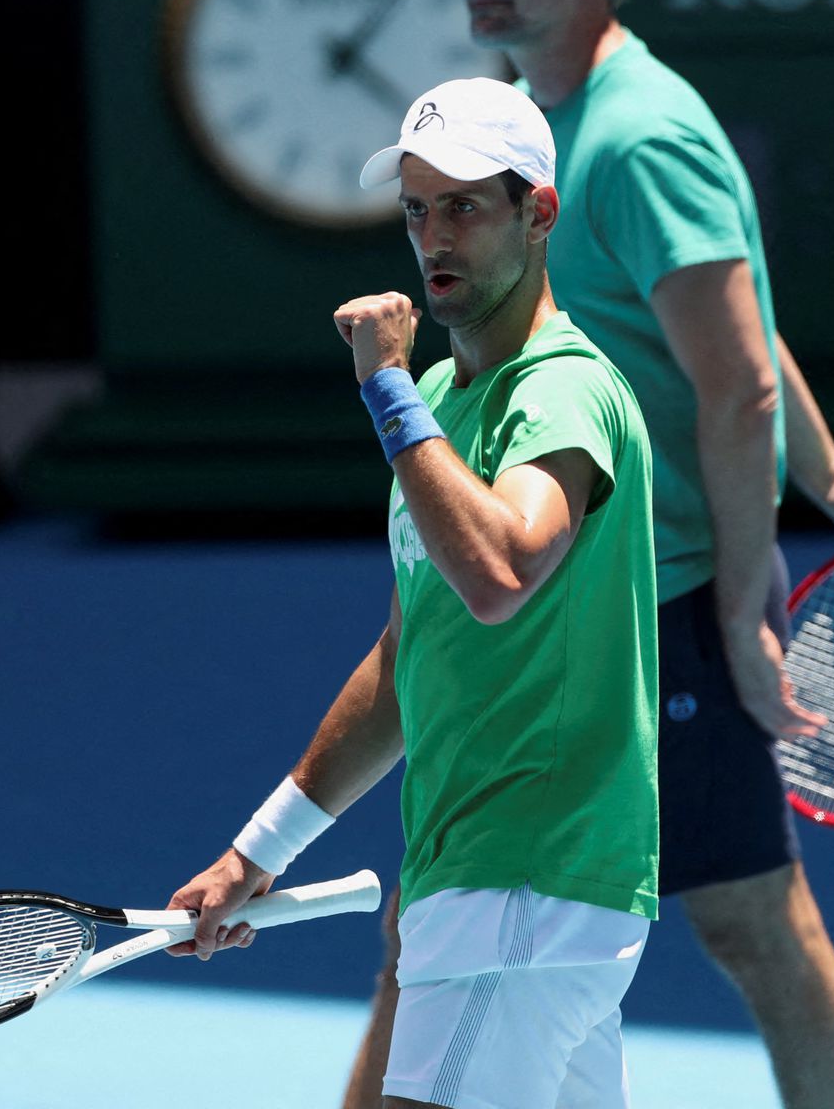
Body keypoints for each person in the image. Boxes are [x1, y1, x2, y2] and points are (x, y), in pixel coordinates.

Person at [342, 0, 834, 1108]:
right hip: (572, 592)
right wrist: (828, 476)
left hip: (662, 602)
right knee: (442, 925)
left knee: (754, 925)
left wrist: (748, 609)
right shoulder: (538, 126)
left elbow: (739, 374)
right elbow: (734, 344)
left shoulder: (639, 138)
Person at [166, 76, 662, 1108]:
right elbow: (410, 656)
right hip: (502, 887)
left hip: (522, 880)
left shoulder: (560, 387)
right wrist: (260, 849)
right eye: (416, 209)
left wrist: (384, 385)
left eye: (465, 206)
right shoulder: (439, 407)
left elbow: (500, 572)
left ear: (538, 213)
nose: (433, 236)